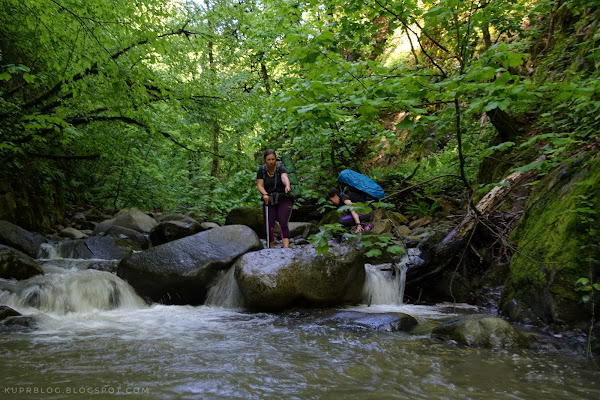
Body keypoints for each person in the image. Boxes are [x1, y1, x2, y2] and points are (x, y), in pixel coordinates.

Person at [257, 149, 293, 248]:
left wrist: (287, 185)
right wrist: (265, 194)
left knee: (283, 223)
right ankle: (271, 249)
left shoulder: (281, 168)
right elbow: (259, 185)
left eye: (273, 159)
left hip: (283, 198)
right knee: (269, 226)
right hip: (269, 199)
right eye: (269, 159)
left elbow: (284, 177)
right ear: (265, 160)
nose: (271, 161)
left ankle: (286, 249)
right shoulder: (262, 170)